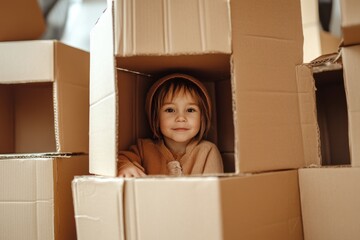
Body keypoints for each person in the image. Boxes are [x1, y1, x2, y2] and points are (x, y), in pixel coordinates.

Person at [117, 73, 223, 177]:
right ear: (156, 118)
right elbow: (118, 160)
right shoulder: (143, 149)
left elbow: (214, 191)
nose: (181, 118)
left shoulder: (207, 151)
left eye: (190, 110)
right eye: (170, 110)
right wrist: (125, 167)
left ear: (202, 118)